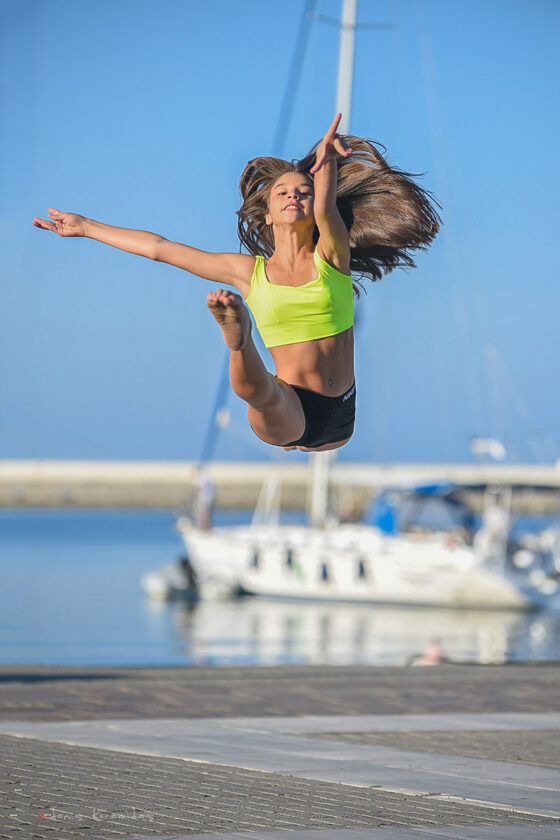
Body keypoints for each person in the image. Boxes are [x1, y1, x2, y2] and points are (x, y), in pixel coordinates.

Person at [33, 114, 440, 452]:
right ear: (266, 214)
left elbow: (329, 208)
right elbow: (161, 248)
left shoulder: (332, 260)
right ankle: (238, 338)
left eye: (303, 191)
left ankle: (241, 337)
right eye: (282, 192)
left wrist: (326, 162)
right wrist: (86, 227)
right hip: (288, 409)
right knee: (263, 393)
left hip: (340, 418)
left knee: (268, 392)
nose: (293, 196)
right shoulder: (249, 273)